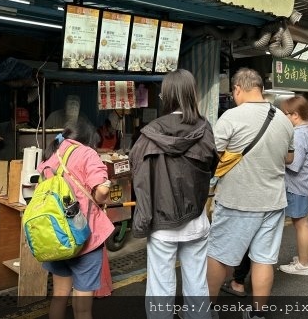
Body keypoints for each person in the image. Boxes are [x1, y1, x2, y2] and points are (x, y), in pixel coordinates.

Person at [130, 69, 218, 319]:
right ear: (193, 94)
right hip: (196, 220)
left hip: (161, 222)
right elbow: (211, 167)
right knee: (197, 285)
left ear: (165, 95)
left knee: (160, 288)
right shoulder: (205, 128)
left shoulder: (150, 133)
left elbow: (138, 174)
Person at [207, 68, 294, 319]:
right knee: (263, 259)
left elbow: (212, 154)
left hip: (237, 201)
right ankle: (257, 314)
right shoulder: (283, 119)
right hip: (273, 202)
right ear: (261, 89)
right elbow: (289, 157)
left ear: (237, 89)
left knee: (218, 256)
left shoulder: (231, 117)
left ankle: (204, 312)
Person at [38, 120, 114, 319]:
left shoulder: (51, 156)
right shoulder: (87, 154)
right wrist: (104, 187)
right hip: (84, 239)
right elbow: (102, 191)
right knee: (82, 309)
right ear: (88, 139)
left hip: (57, 237)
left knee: (59, 297)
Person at [278, 96, 308, 276]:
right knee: (305, 222)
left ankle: (303, 264)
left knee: (300, 223)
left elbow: (294, 164)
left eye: (286, 114)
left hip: (298, 185)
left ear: (295, 115)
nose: (284, 118)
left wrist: (278, 157)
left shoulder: (298, 134)